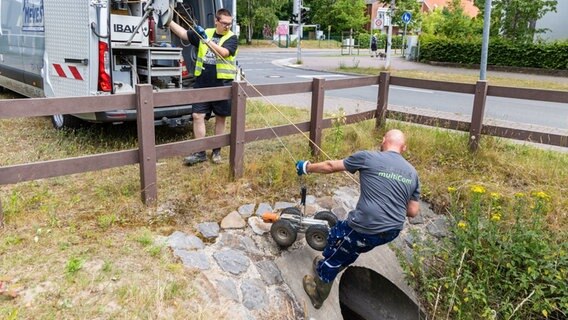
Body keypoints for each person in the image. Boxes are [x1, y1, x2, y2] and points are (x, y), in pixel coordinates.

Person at [295, 129, 421, 309]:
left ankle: (318, 293)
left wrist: (306, 167)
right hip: (391, 231)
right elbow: (413, 211)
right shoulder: (412, 173)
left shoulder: (368, 157)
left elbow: (331, 166)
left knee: (336, 245)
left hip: (365, 226)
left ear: (383, 141)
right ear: (404, 148)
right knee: (347, 242)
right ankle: (335, 261)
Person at [168, 9, 238, 165]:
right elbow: (184, 34)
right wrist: (168, 21)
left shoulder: (232, 38)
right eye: (224, 23)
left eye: (229, 23)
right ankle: (200, 152)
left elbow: (224, 53)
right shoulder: (206, 32)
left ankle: (216, 152)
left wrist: (207, 40)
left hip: (222, 84)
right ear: (216, 21)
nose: (227, 26)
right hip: (202, 83)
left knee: (220, 118)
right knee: (197, 116)